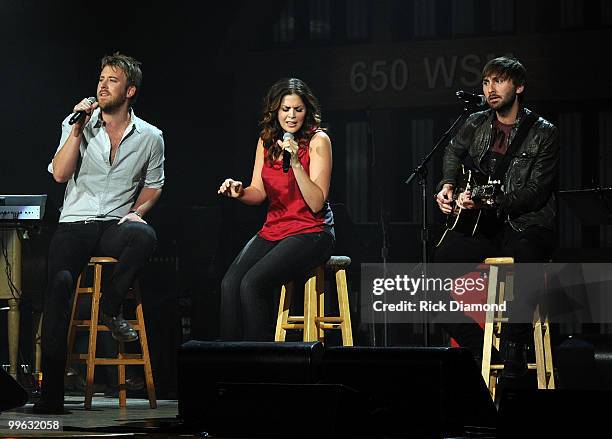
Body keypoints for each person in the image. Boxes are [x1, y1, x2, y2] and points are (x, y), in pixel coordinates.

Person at [34, 52, 165, 414]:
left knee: (145, 236)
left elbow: (154, 185)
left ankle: (109, 306)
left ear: (131, 90)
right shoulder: (77, 124)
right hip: (75, 222)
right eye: (101, 78)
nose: (102, 86)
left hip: (114, 224)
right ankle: (52, 394)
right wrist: (77, 129)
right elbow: (60, 174)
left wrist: (137, 212)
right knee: (60, 283)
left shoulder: (151, 137)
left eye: (112, 80)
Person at [433, 56, 559, 382]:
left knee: (522, 270)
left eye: (499, 81)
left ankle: (517, 356)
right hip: (485, 224)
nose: (491, 88)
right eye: (487, 81)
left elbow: (535, 192)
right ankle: (486, 350)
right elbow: (451, 151)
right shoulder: (475, 122)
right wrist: (448, 185)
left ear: (518, 86)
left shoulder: (544, 133)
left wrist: (485, 200)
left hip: (527, 224)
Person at [218, 77, 334, 341]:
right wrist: (240, 192)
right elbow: (258, 192)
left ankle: (259, 362)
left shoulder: (318, 141)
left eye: (298, 109)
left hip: (311, 231)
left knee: (252, 283)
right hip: (276, 227)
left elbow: (316, 202)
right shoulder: (266, 141)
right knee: (230, 284)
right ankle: (227, 362)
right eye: (285, 109)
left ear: (307, 111)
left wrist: (295, 161)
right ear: (275, 111)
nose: (291, 116)